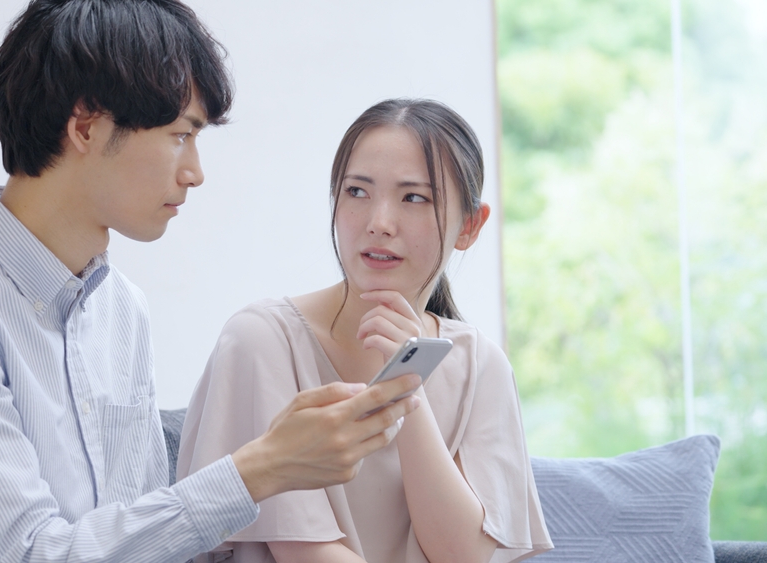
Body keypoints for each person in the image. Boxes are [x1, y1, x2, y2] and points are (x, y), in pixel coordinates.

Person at [0, 2, 423, 562]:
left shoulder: (118, 309)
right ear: (85, 126)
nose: (195, 173)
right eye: (180, 135)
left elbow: (132, 536)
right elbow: (33, 556)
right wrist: (263, 467)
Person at [177, 99, 554, 563]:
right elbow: (305, 553)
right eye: (357, 192)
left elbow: (464, 554)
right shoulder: (261, 340)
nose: (379, 223)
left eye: (414, 198)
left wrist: (406, 386)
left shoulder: (480, 365)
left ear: (470, 225)